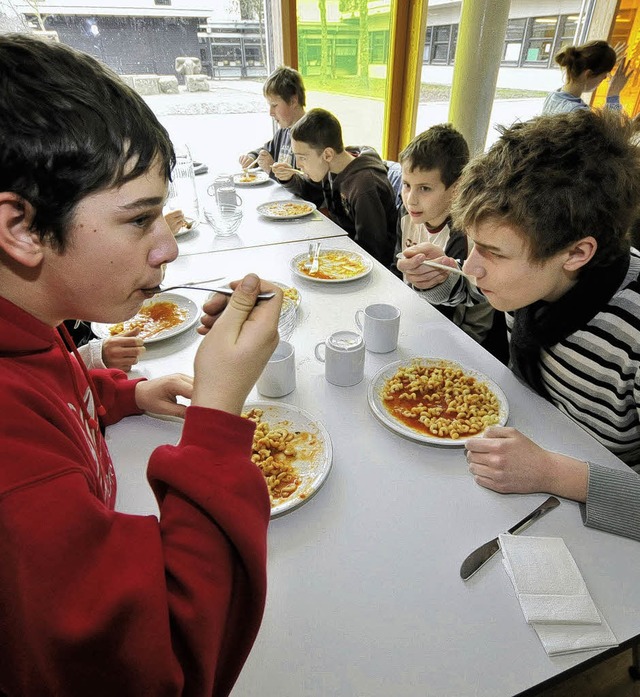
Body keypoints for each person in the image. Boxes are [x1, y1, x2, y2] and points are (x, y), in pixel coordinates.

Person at [0, 32, 284, 695]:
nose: (168, 249)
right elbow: (171, 668)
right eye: (139, 220)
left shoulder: (34, 322)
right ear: (20, 229)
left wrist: (120, 393)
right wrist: (217, 411)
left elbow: (52, 387)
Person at [397, 108, 640, 542]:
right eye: (472, 243)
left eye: (493, 252)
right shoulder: (532, 277)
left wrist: (552, 472)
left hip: (593, 512)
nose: (473, 265)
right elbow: (474, 293)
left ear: (576, 254)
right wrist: (442, 276)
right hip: (517, 456)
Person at [393, 124, 498, 351]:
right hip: (415, 313)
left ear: (456, 188)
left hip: (458, 334)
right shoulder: (407, 216)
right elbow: (397, 267)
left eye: (425, 188)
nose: (410, 199)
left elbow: (451, 309)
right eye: (407, 185)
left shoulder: (463, 235)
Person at [275, 107, 398, 268]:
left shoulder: (364, 187)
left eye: (302, 158)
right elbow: (311, 194)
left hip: (367, 267)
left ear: (327, 154)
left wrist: (330, 260)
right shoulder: (332, 167)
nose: (298, 165)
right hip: (343, 248)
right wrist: (290, 179)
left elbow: (373, 250)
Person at [238, 66, 306, 176]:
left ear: (293, 101)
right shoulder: (283, 133)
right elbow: (266, 150)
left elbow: (308, 183)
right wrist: (253, 157)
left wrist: (272, 171)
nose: (271, 112)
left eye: (274, 105)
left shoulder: (312, 135)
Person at [542, 40, 632, 115]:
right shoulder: (578, 113)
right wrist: (613, 93)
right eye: (604, 76)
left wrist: (603, 62)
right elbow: (613, 134)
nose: (604, 80)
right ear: (588, 74)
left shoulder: (553, 96)